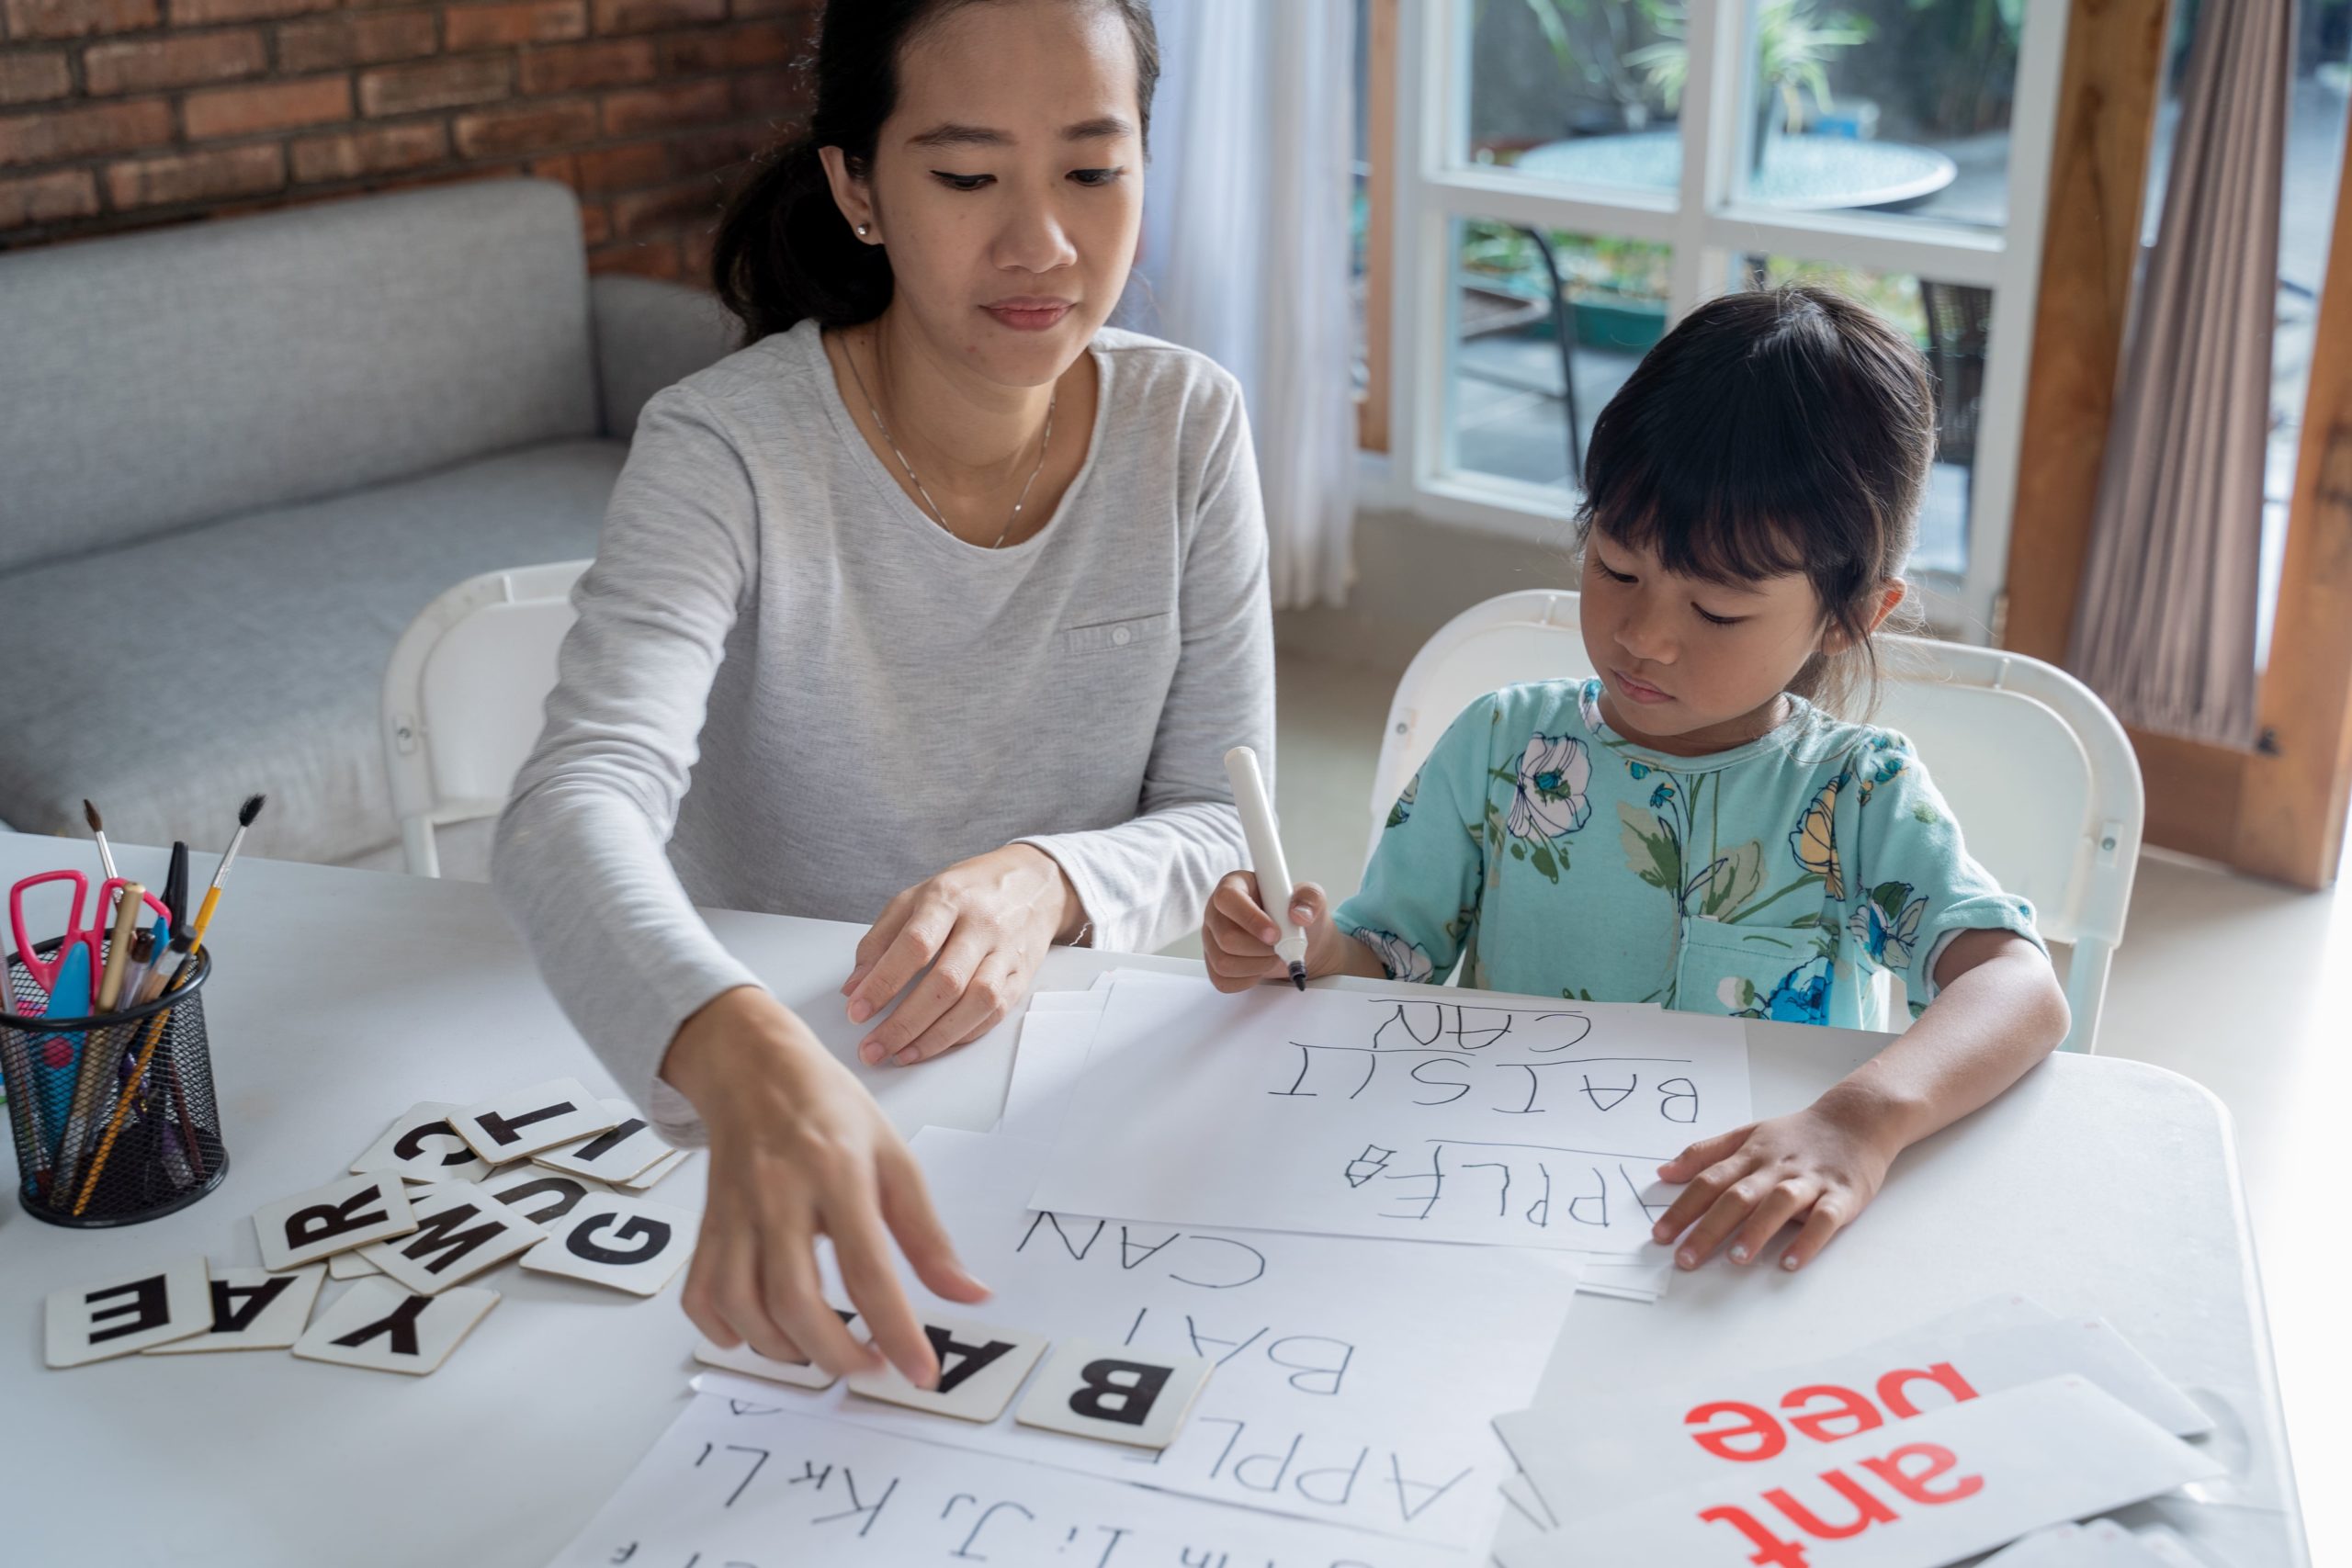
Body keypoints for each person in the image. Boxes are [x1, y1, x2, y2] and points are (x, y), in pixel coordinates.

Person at [494, 0, 1272, 1391]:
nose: (1043, 244)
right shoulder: (725, 446)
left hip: (1061, 1096)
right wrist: (736, 1053)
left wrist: (1045, 880)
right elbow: (573, 803)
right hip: (761, 1091)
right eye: (968, 177)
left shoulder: (1190, 426)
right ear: (857, 186)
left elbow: (1227, 816)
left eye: (1095, 170)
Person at [1203, 286, 2068, 1276]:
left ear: (1849, 616)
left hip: (1745, 1236)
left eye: (1718, 610)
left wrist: (1860, 1120)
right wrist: (1302, 950)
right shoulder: (1499, 747)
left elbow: (2020, 988)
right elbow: (1384, 960)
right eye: (1616, 567)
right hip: (1500, 1218)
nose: (1644, 636)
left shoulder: (1855, 793)